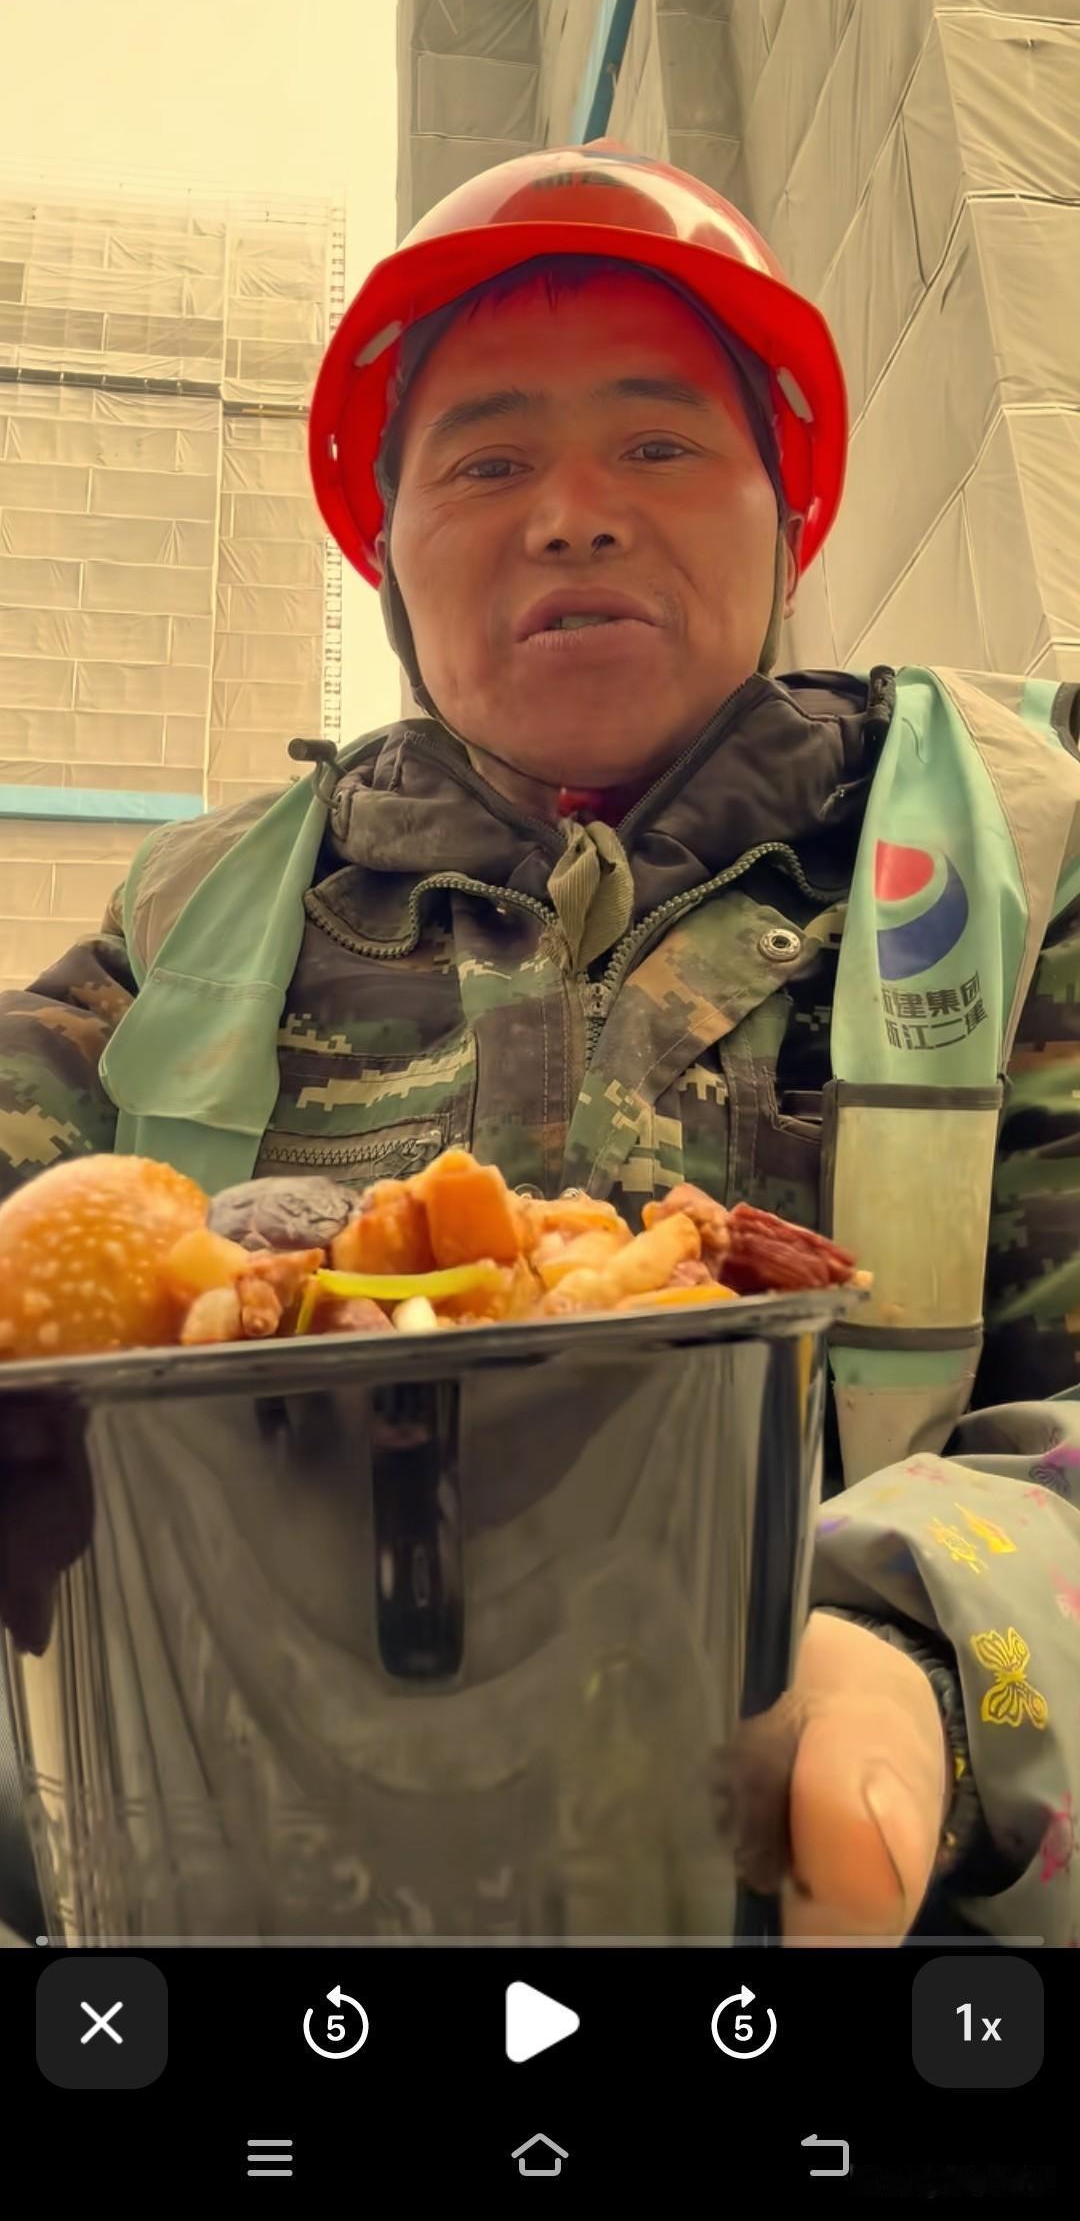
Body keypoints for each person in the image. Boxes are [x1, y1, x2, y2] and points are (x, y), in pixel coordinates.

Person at [1, 142, 1078, 1945]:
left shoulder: (1021, 869)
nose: (573, 513)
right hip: (234, 1878)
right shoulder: (186, 932)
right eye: (488, 462)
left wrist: (926, 1654)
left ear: (788, 521)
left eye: (657, 445)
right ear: (387, 556)